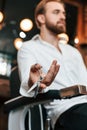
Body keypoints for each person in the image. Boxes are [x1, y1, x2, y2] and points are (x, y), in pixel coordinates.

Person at [17, 0, 87, 130]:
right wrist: (35, 83)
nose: (63, 17)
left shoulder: (73, 52)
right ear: (41, 18)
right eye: (56, 12)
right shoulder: (29, 48)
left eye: (64, 13)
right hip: (64, 110)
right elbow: (29, 83)